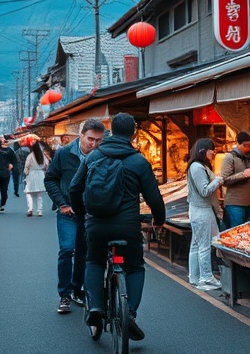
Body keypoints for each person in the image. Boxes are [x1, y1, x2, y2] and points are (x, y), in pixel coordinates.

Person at [69, 112, 165, 342]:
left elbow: (74, 188)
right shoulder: (138, 161)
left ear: (111, 130)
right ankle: (129, 312)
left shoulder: (93, 157)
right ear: (133, 133)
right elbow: (154, 197)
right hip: (127, 226)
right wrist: (158, 219)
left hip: (96, 225)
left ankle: (95, 308)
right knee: (135, 267)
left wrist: (83, 216)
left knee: (94, 261)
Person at [45, 120, 104, 314]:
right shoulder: (64, 153)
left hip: (90, 213)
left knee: (84, 253)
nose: (93, 144)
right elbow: (51, 179)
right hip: (68, 212)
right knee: (67, 249)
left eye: (98, 140)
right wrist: (62, 203)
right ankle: (65, 293)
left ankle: (77, 289)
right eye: (90, 139)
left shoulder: (102, 155)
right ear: (81, 135)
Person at [186, 138, 223, 290]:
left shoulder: (198, 166)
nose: (213, 152)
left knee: (197, 244)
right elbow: (205, 191)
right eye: (211, 149)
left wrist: (218, 210)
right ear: (203, 150)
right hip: (201, 210)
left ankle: (194, 277)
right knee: (204, 245)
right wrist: (218, 180)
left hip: (199, 210)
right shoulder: (197, 167)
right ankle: (206, 278)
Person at [219, 131, 250, 228]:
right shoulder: (230, 157)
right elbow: (224, 180)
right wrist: (242, 174)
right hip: (235, 204)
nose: (248, 148)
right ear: (238, 144)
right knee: (237, 231)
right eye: (245, 145)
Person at [23, 141, 50, 217]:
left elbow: (27, 166)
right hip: (40, 174)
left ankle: (30, 209)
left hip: (32, 174)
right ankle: (39, 210)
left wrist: (26, 173)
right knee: (39, 195)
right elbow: (46, 165)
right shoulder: (43, 156)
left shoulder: (30, 156)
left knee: (29, 193)